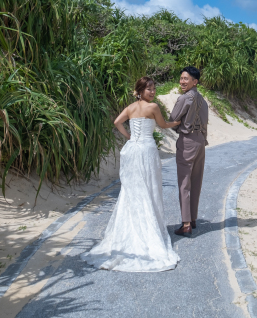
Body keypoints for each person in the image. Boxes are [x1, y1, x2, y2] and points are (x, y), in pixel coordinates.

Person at [81, 77, 181, 272]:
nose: (152, 92)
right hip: (147, 150)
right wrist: (176, 122)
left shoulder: (130, 108)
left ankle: (132, 228)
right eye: (149, 89)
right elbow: (163, 125)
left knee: (132, 190)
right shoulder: (153, 108)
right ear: (140, 90)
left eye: (153, 88)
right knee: (149, 188)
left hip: (132, 150)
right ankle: (148, 229)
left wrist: (129, 137)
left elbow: (117, 122)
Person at [168, 66, 209, 238]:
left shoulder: (185, 99)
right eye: (181, 78)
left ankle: (185, 225)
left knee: (184, 183)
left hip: (188, 142)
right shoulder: (203, 100)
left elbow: (173, 119)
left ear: (195, 81)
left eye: (186, 79)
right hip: (201, 141)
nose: (182, 81)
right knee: (196, 182)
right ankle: (192, 219)